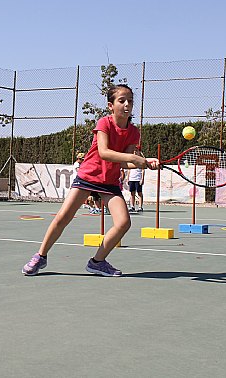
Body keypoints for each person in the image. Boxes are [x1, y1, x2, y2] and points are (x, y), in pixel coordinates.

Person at [22, 84, 159, 277]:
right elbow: (104, 152)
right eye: (122, 100)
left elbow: (124, 163)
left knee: (123, 223)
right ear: (111, 105)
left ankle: (98, 262)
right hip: (88, 176)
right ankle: (40, 256)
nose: (127, 104)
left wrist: (144, 163)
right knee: (63, 217)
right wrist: (133, 158)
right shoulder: (104, 123)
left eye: (130, 101)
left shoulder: (133, 132)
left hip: (110, 182)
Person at [126, 145, 145, 212]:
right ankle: (132, 206)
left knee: (139, 193)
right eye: (134, 151)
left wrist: (142, 179)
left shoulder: (141, 160)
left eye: (136, 151)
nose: (135, 152)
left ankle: (140, 207)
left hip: (138, 179)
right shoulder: (131, 160)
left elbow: (143, 170)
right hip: (132, 179)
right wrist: (128, 178)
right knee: (132, 193)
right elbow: (129, 169)